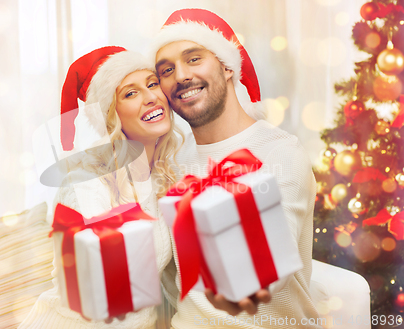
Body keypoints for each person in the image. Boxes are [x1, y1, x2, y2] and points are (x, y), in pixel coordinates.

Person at [151, 9, 322, 329]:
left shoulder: (280, 152)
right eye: (167, 70)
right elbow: (171, 278)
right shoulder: (172, 162)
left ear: (227, 66)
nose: (181, 76)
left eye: (193, 58)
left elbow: (269, 276)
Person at [19, 46, 182, 329]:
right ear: (111, 116)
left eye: (152, 84)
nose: (150, 97)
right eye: (130, 93)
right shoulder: (87, 181)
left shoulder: (163, 175)